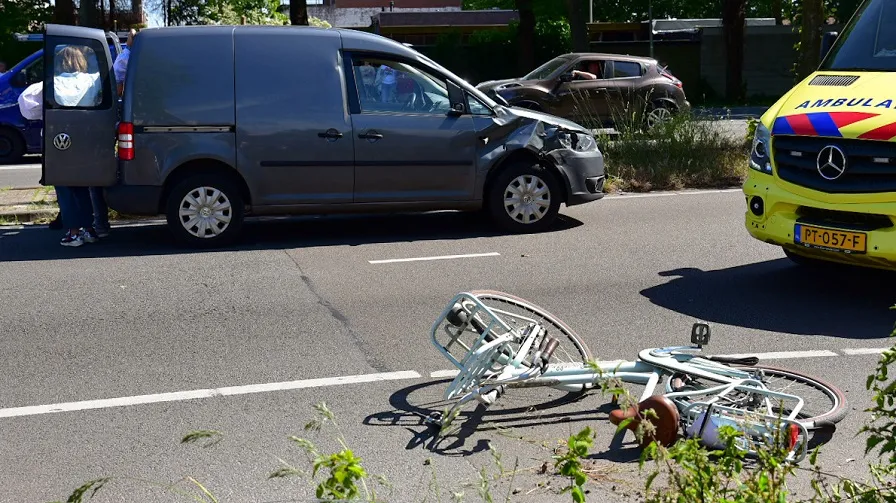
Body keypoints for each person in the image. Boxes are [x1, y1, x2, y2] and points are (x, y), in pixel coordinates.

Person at [51, 45, 104, 246]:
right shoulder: (93, 80)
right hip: (88, 137)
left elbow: (27, 104)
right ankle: (89, 229)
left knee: (65, 187)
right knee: (83, 185)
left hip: (61, 138)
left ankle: (73, 232)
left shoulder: (54, 83)